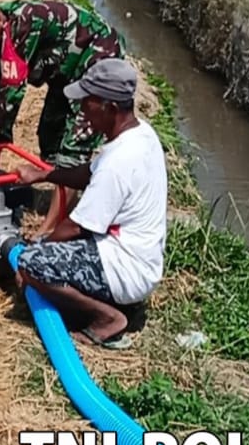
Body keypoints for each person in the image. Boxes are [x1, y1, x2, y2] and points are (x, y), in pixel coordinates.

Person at [12, 58, 168, 349]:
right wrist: (43, 174)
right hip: (139, 258)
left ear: (110, 107)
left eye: (88, 102)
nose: (82, 109)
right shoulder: (140, 135)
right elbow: (88, 172)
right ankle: (107, 301)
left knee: (31, 263)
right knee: (44, 254)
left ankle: (108, 318)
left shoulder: (119, 162)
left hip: (126, 269)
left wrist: (39, 252)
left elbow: (74, 228)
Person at [0, 0, 127, 238]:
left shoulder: (22, 27)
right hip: (63, 70)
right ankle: (62, 194)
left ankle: (49, 232)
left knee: (74, 145)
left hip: (95, 55)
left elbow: (11, 90)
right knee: (50, 133)